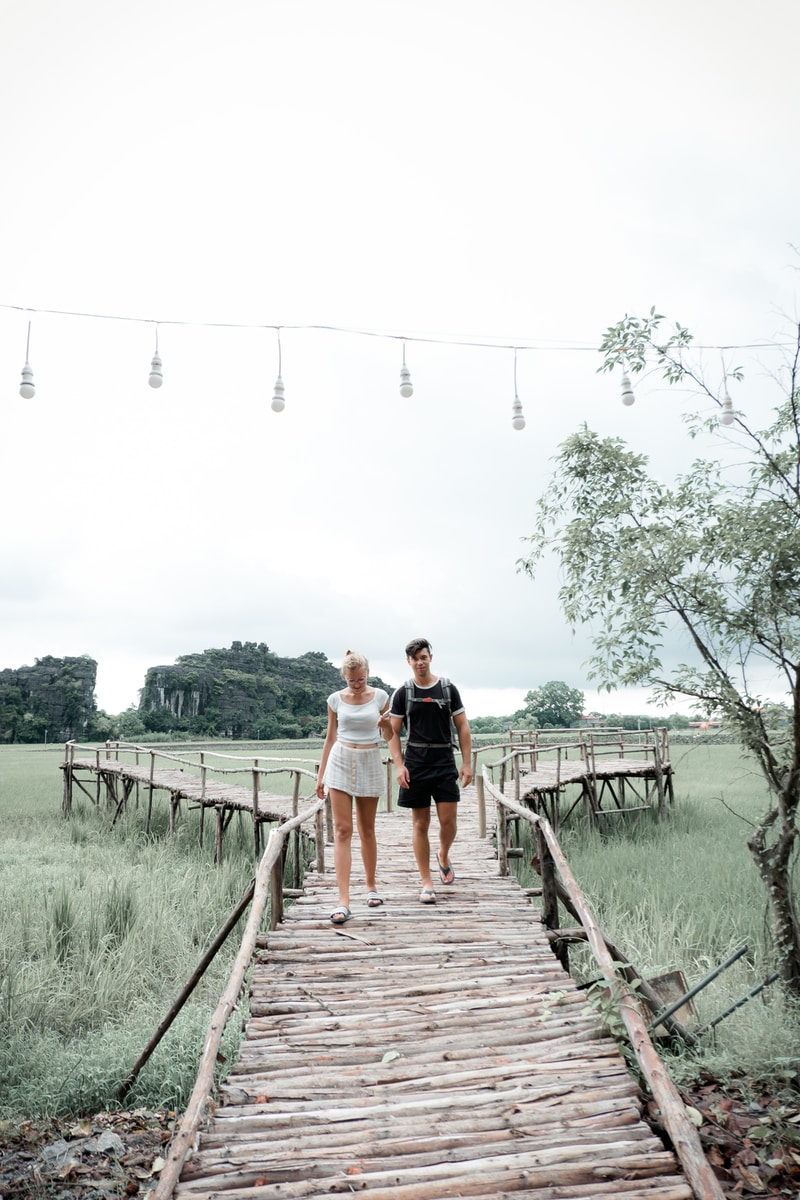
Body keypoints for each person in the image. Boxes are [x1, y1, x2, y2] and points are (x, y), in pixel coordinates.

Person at [386, 638, 473, 904]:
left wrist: (467, 763)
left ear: (430, 658)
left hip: (444, 761)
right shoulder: (403, 693)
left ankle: (443, 854)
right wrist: (399, 766)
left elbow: (463, 727)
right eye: (415, 659)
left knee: (449, 822)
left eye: (424, 657)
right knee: (420, 823)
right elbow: (393, 733)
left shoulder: (447, 689)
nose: (420, 662)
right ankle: (426, 881)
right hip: (416, 764)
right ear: (408, 661)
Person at [317, 650, 391, 925]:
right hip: (340, 759)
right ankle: (343, 900)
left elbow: (391, 735)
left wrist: (386, 725)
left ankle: (371, 886)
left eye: (361, 679)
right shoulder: (335, 699)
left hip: (370, 758)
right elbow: (330, 737)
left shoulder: (382, 697)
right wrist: (321, 775)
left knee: (367, 828)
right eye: (352, 681)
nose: (357, 684)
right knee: (342, 830)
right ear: (344, 678)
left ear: (367, 674)